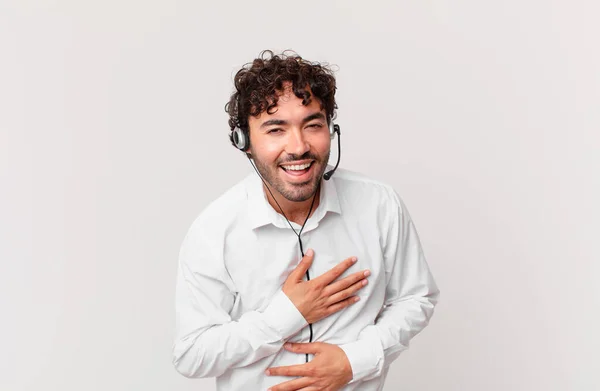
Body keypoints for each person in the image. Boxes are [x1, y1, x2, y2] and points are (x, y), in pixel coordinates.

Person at [172, 50, 440, 391]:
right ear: (244, 142)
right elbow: (191, 354)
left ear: (331, 128)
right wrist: (285, 315)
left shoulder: (379, 204)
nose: (298, 147)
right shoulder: (214, 230)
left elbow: (416, 297)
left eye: (312, 125)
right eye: (275, 129)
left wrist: (355, 360)